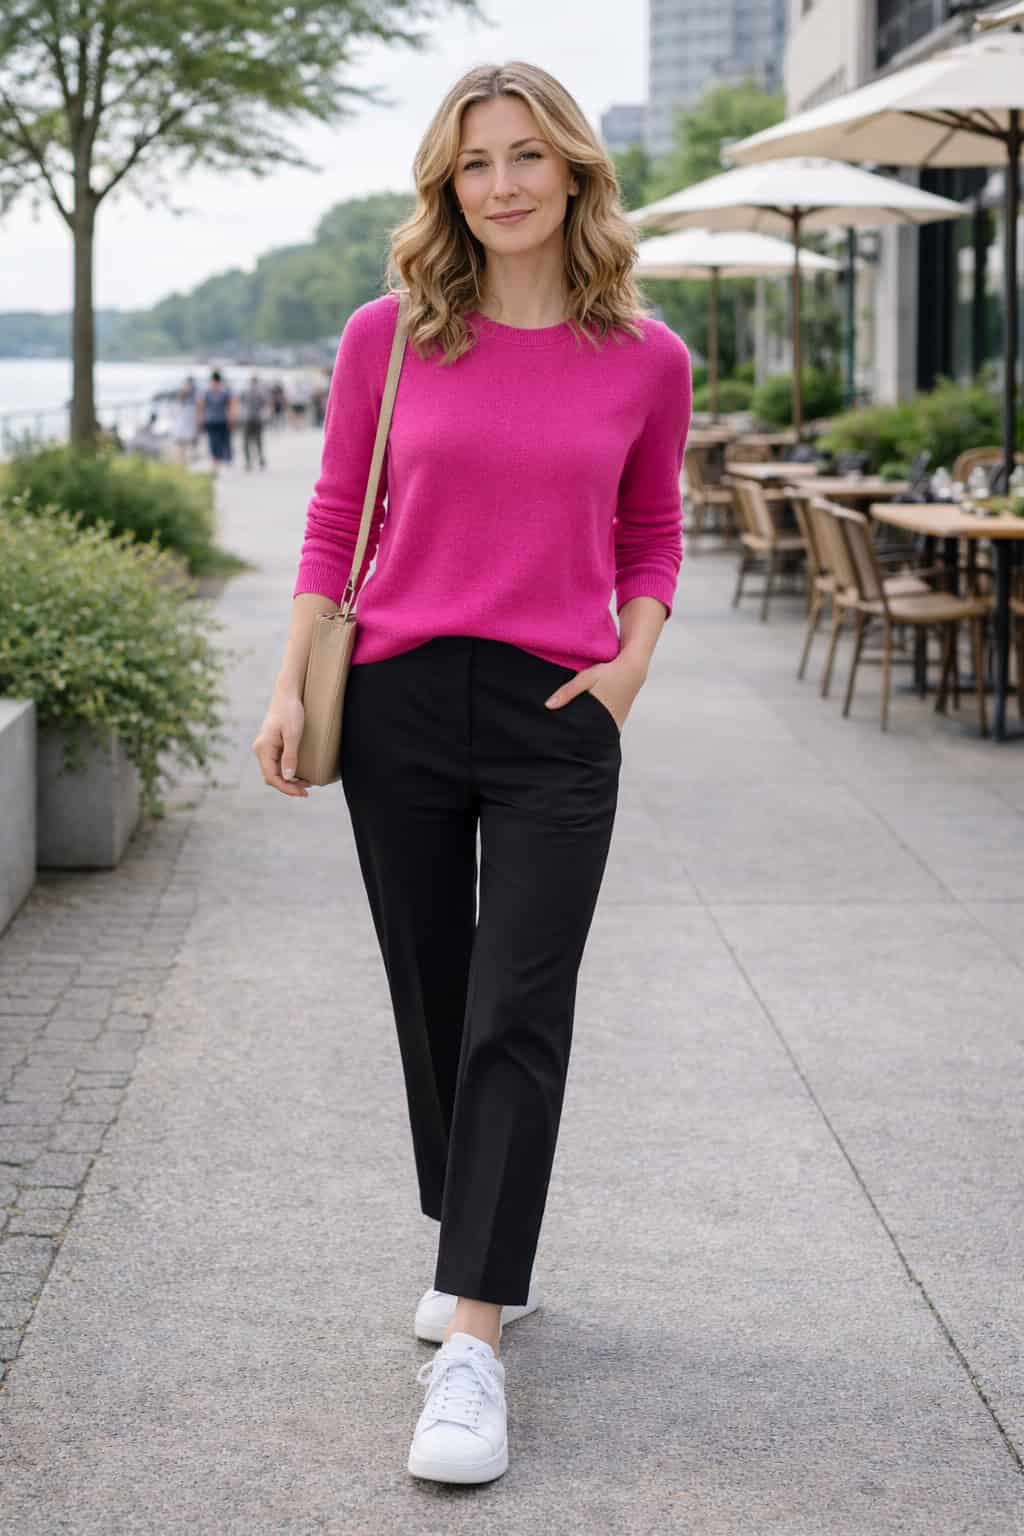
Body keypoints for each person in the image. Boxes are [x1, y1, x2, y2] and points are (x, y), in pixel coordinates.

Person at [251, 61, 691, 1488]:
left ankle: (476, 1345)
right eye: (473, 163)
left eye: (525, 156)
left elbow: (652, 534)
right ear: (448, 186)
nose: (500, 184)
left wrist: (626, 672)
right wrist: (287, 681)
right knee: (435, 995)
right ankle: (476, 1233)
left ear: (574, 171)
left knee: (519, 1006)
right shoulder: (390, 337)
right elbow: (333, 521)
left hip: (559, 708)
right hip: (400, 701)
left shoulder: (649, 358)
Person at [197, 369, 233, 470]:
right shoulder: (222, 391)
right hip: (216, 420)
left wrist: (200, 419)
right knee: (216, 441)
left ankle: (218, 460)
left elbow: (201, 406)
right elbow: (201, 405)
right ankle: (217, 461)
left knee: (218, 441)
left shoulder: (210, 391)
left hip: (216, 420)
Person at [238, 373, 268, 470]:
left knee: (246, 441)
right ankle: (260, 459)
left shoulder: (245, 390)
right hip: (257, 418)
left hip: (247, 418)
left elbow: (241, 403)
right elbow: (264, 403)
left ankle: (248, 461)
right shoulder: (261, 391)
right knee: (258, 440)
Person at [171, 378, 198, 466]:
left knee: (188, 446)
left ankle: (186, 464)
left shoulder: (193, 399)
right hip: (182, 425)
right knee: (180, 446)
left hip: (188, 424)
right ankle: (181, 464)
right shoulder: (181, 400)